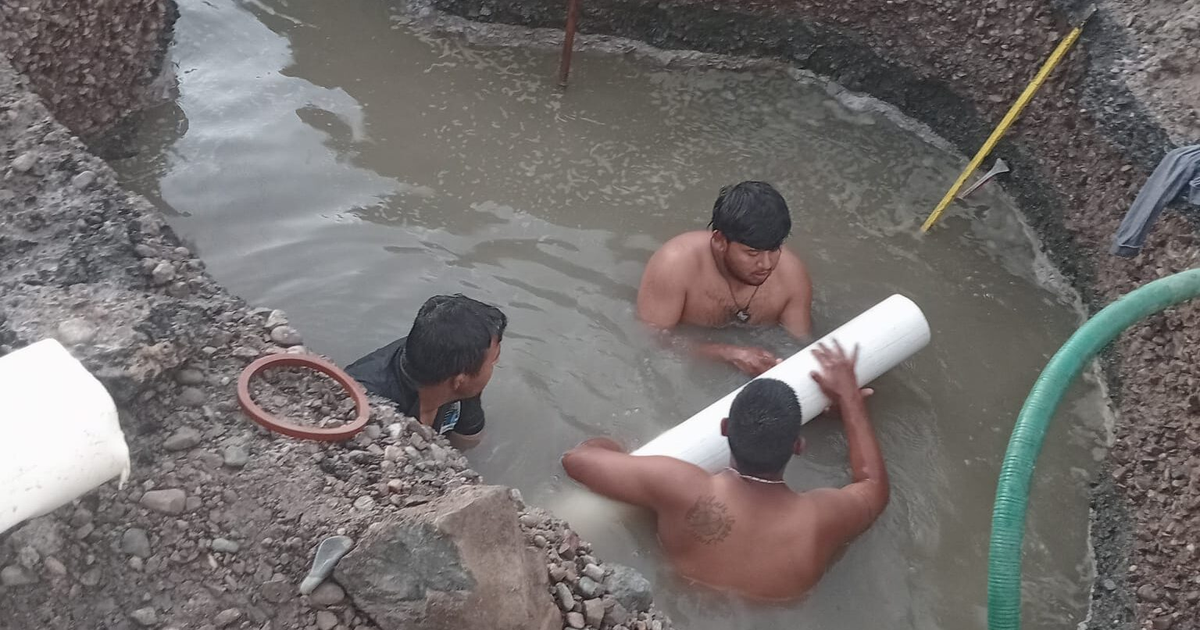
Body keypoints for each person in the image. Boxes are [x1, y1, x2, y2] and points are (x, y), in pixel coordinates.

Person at [561, 342, 887, 601]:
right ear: (798, 446)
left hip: (678, 599)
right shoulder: (821, 518)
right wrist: (850, 402)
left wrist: (622, 445)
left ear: (724, 428)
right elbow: (874, 484)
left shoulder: (681, 486)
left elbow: (576, 461)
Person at [637, 181, 813, 376]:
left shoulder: (792, 277)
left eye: (774, 249)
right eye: (752, 253)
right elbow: (652, 340)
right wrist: (726, 353)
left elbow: (799, 346)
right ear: (720, 241)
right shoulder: (675, 265)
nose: (766, 264)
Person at [346, 294, 506, 449]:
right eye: (494, 358)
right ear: (459, 381)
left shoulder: (459, 368)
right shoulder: (369, 404)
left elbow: (469, 437)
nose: (496, 362)